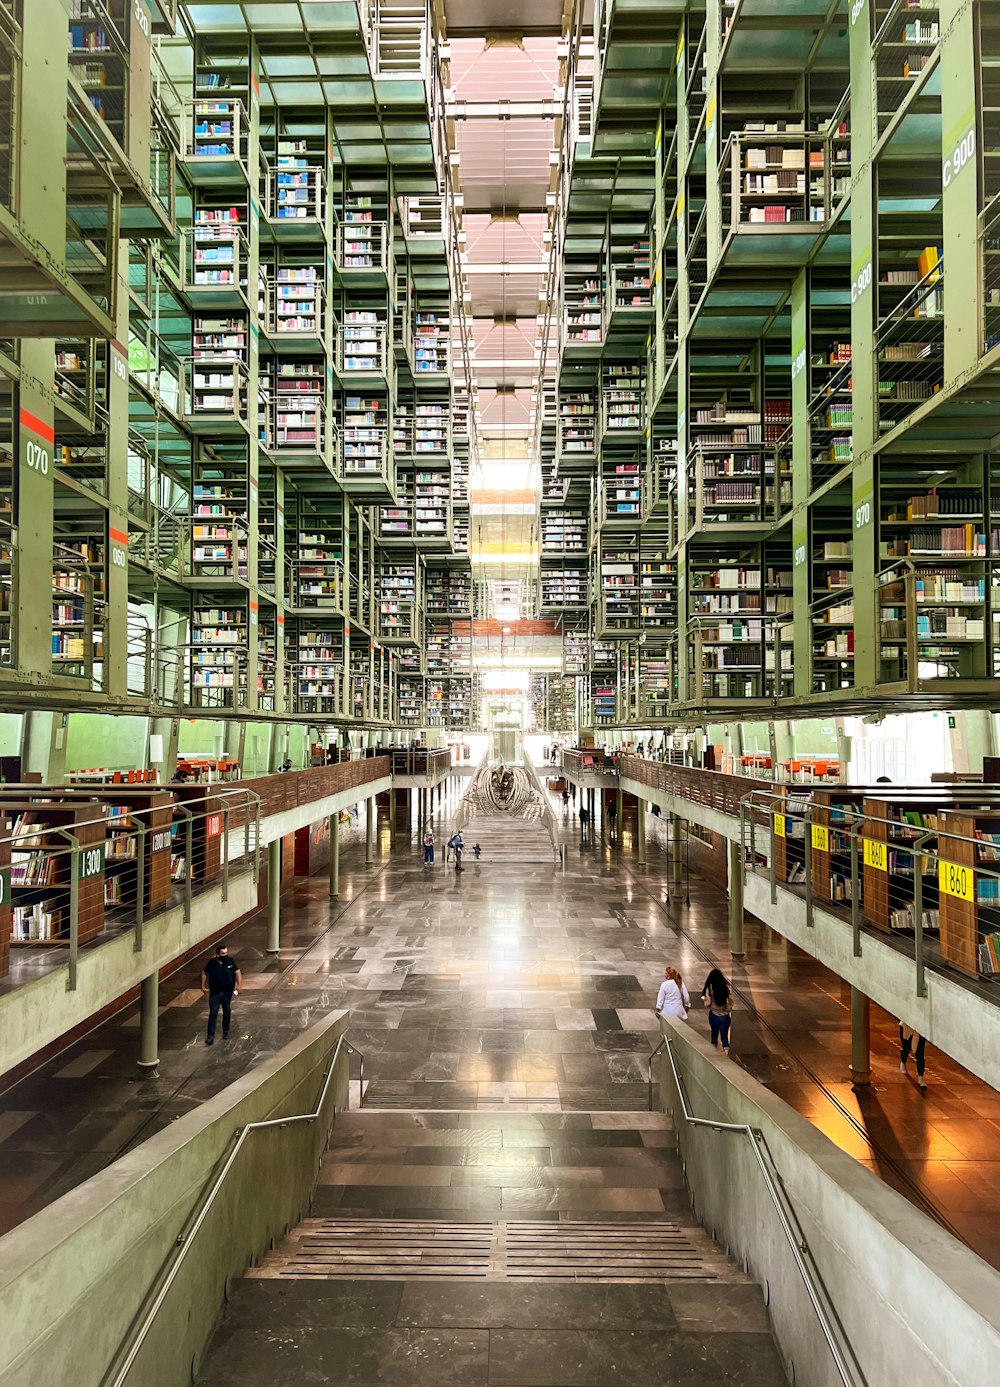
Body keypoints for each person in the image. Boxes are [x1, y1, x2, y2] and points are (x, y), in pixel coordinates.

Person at [203, 943, 242, 1046]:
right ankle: (210, 1035)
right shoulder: (211, 962)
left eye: (226, 953)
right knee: (213, 1012)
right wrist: (203, 986)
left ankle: (226, 1031)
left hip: (227, 992)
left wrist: (239, 985)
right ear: (217, 954)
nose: (225, 955)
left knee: (227, 1010)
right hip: (215, 992)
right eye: (222, 953)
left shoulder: (230, 961)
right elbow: (204, 972)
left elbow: (237, 972)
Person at [701, 968, 733, 1054]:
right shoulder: (726, 989)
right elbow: (730, 1002)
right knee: (724, 1038)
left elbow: (707, 1004)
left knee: (714, 1035)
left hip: (714, 1015)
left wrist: (706, 1000)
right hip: (725, 1017)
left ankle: (713, 1055)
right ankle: (726, 1055)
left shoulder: (710, 989)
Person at [899, 1020, 927, 1089]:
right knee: (906, 1048)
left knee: (920, 1054)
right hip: (906, 1028)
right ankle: (903, 1062)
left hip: (920, 1031)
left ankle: (920, 1078)